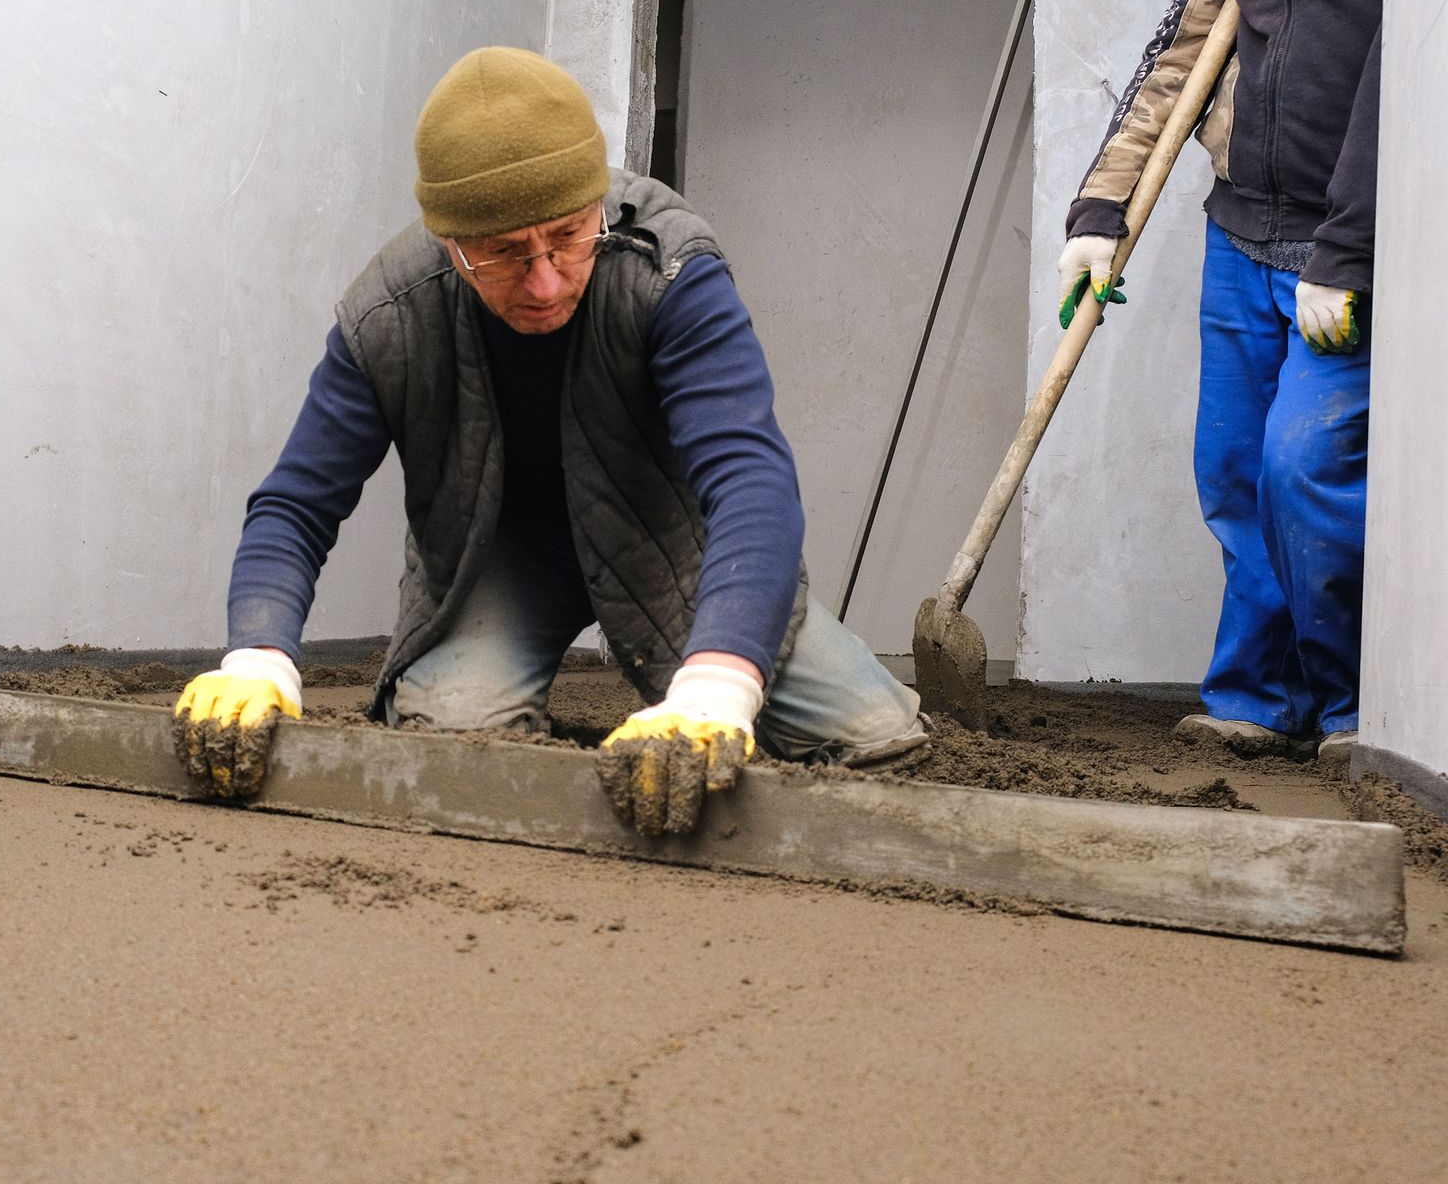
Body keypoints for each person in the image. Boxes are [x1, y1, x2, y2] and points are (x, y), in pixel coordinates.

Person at [174, 46, 926, 836]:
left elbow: (752, 482)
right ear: (450, 242)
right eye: (501, 252)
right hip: (499, 556)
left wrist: (718, 686)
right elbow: (295, 505)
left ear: (597, 204)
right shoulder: (389, 316)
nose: (544, 281)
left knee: (876, 739)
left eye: (568, 237)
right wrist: (257, 658)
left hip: (666, 542)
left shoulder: (667, 270)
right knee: (457, 741)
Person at [1056, 0, 1380, 768]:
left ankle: (1356, 712)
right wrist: (1104, 204)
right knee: (1234, 473)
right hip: (1239, 236)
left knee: (1301, 470)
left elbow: (1410, 75)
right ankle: (1259, 697)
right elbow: (1188, 42)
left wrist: (1348, 250)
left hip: (1341, 252)